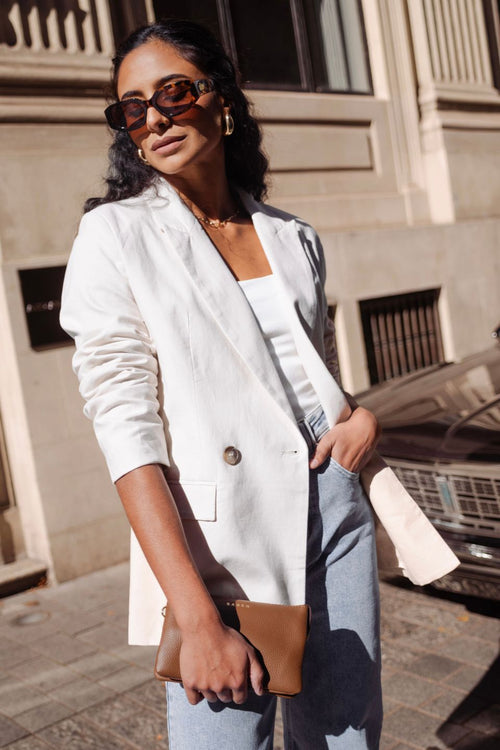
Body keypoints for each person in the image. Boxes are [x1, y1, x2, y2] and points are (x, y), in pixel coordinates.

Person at [60, 19, 458, 750]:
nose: (154, 117)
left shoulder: (291, 235)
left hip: (333, 503)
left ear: (222, 101)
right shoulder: (116, 237)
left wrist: (357, 416)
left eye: (174, 93)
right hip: (219, 540)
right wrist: (196, 615)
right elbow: (127, 431)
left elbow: (300, 373)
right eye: (132, 107)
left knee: (345, 736)